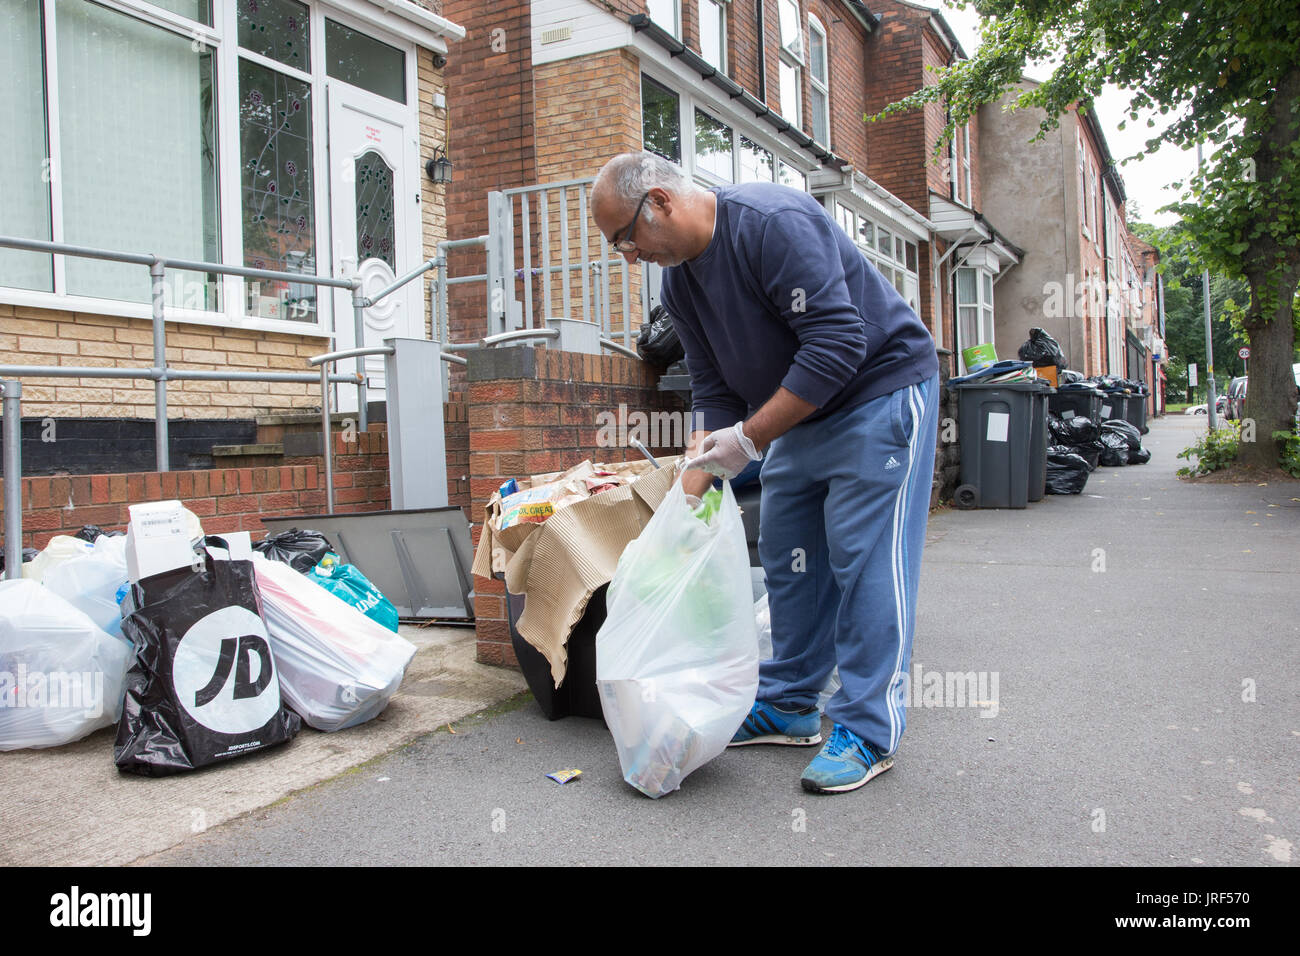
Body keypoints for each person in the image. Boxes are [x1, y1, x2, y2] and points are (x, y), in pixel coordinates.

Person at [591, 152, 940, 794]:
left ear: (661, 201)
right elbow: (713, 384)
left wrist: (747, 440)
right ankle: (791, 702)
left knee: (865, 562)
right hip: (801, 413)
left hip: (878, 393)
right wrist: (697, 476)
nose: (627, 256)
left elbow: (838, 343)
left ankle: (867, 728)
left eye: (625, 237)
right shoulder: (681, 285)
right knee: (790, 555)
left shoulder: (772, 223)